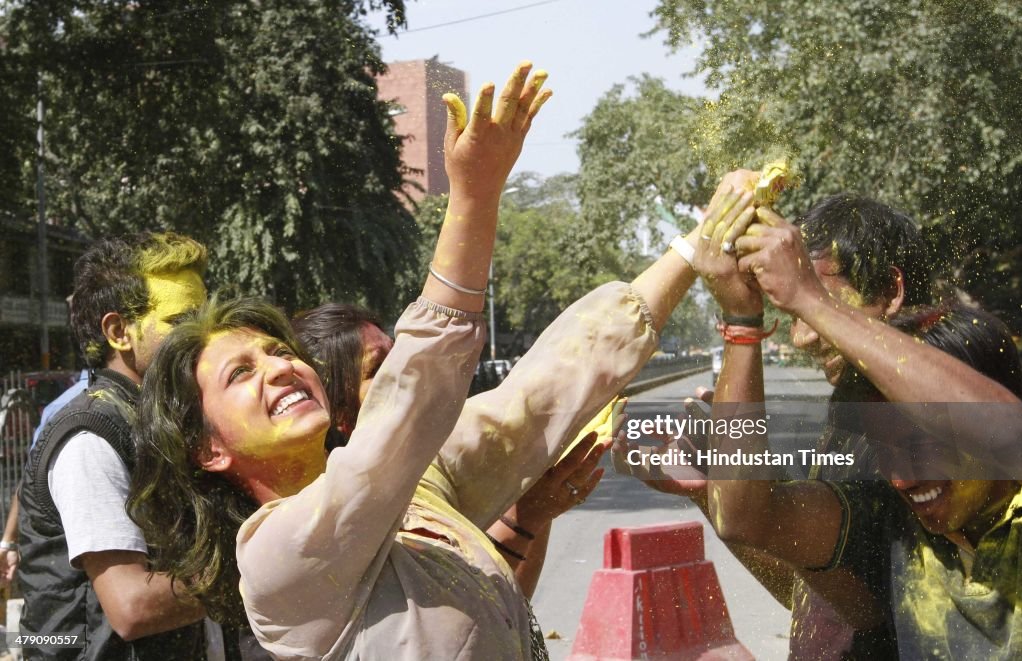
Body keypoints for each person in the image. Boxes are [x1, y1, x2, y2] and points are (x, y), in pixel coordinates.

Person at [127, 61, 715, 659]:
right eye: (240, 373)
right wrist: (475, 195)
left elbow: (540, 387)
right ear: (210, 450)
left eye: (278, 351)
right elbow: (412, 400)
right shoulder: (275, 555)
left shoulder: (418, 490)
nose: (279, 367)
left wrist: (697, 245)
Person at [614, 179, 938, 657]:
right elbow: (815, 594)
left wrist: (742, 322)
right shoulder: (851, 410)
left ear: (891, 291)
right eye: (792, 309)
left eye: (816, 301)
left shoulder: (921, 427)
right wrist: (710, 487)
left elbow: (753, 518)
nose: (802, 338)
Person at [291, 302, 612, 598]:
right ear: (343, 416)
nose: (408, 371)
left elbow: (512, 614)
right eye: (379, 370)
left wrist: (536, 489)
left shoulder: (433, 462)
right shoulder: (344, 518)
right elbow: (466, 615)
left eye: (400, 356)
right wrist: (528, 517)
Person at [17, 232, 210, 659]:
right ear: (119, 331)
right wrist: (262, 571)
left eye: (207, 317)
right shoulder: (91, 437)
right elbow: (132, 608)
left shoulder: (158, 418)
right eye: (182, 322)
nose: (204, 336)